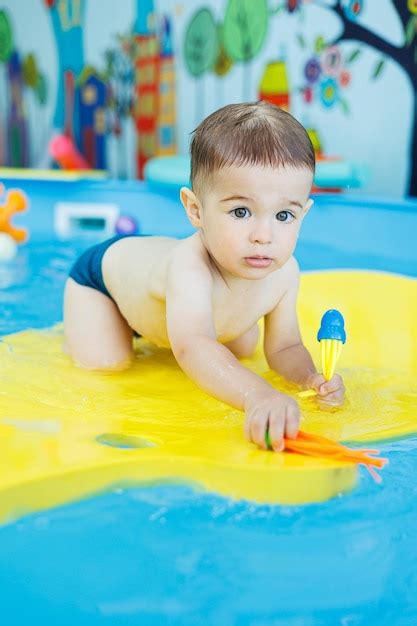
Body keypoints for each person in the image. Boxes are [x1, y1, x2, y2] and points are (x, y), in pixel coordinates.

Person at [63, 101, 345, 452]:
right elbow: (192, 346)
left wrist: (312, 378)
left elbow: (285, 347)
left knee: (243, 348)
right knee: (107, 365)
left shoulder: (285, 272)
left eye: (284, 216)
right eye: (241, 211)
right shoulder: (189, 266)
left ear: (304, 213)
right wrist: (257, 395)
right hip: (103, 283)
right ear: (196, 210)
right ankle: (95, 324)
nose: (264, 235)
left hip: (165, 300)